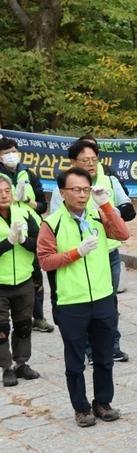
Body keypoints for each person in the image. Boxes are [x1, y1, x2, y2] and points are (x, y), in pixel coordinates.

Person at [38, 167, 130, 428]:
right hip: (72, 302)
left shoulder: (98, 216)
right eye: (75, 190)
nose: (82, 195)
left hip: (102, 297)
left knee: (104, 356)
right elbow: (45, 261)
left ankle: (103, 402)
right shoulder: (51, 223)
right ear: (62, 192)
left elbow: (123, 235)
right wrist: (76, 253)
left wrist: (107, 205)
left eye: (86, 189)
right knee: (75, 360)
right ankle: (81, 407)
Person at [52, 139, 135, 362]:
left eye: (94, 159)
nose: (90, 164)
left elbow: (128, 209)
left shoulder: (108, 179)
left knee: (109, 300)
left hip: (108, 251)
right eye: (85, 160)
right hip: (77, 255)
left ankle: (112, 346)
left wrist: (108, 209)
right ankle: (88, 349)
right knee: (84, 302)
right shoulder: (63, 187)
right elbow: (54, 222)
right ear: (73, 162)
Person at [0, 137, 53, 333]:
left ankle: (38, 317)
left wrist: (27, 199)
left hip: (30, 231)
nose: (11, 155)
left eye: (14, 151)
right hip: (5, 229)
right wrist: (12, 200)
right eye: (6, 153)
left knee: (36, 276)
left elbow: (42, 206)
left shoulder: (29, 175)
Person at [0, 177, 40, 386]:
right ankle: (6, 368)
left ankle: (21, 363)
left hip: (24, 280)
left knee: (24, 325)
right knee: (1, 329)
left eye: (7, 190)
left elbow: (39, 244)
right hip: (0, 284)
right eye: (0, 192)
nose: (4, 195)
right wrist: (7, 243)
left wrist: (24, 241)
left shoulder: (24, 213)